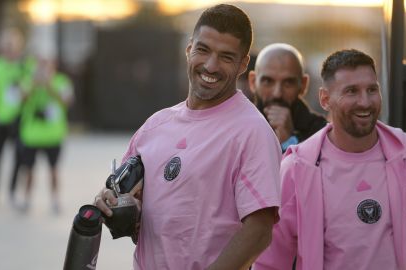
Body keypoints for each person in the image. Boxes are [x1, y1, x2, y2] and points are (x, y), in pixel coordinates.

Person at [94, 4, 282, 270]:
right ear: (189, 49)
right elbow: (134, 200)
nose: (210, 65)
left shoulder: (252, 132)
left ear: (242, 64)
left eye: (226, 57)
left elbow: (260, 231)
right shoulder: (154, 127)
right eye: (203, 50)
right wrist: (113, 201)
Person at [253, 49, 406, 270]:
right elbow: (270, 262)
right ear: (324, 99)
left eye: (372, 90)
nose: (365, 102)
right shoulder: (297, 168)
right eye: (351, 91)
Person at [0, 27, 34, 202]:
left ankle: (13, 191)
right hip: (0, 117)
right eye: (6, 45)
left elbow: (30, 91)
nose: (9, 49)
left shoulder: (25, 66)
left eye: (12, 45)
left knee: (19, 157)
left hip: (20, 118)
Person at [18, 57, 73, 213]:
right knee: (28, 169)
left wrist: (49, 86)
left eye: (46, 64)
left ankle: (55, 200)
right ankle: (26, 199)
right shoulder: (28, 81)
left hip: (53, 136)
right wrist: (34, 85)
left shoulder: (62, 81)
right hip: (31, 136)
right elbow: (21, 100)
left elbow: (67, 101)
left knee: (54, 169)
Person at [248, 43, 327, 152]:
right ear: (253, 82)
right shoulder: (238, 126)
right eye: (268, 81)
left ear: (303, 85)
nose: (277, 93)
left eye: (288, 83)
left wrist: (289, 141)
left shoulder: (322, 133)